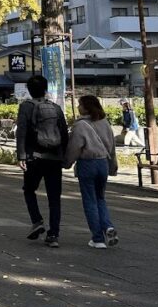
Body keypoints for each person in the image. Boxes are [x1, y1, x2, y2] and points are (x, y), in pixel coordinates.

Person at [16, 75, 69, 248]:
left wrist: (21, 156)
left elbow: (22, 132)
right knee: (55, 197)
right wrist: (64, 155)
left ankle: (37, 221)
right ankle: (54, 235)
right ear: (45, 89)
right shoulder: (55, 107)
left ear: (29, 90)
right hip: (54, 158)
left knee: (29, 190)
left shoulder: (26, 106)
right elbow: (64, 132)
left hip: (34, 157)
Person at [65, 95, 119, 249]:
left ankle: (97, 238)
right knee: (100, 198)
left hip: (87, 164)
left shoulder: (80, 125)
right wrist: (112, 165)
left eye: (79, 104)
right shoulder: (104, 122)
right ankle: (108, 226)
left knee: (89, 201)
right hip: (103, 163)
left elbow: (75, 147)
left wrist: (67, 162)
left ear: (86, 107)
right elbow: (112, 146)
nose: (78, 107)